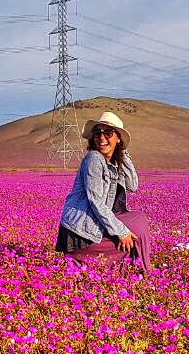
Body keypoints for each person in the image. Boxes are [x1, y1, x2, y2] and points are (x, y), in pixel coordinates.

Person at [55, 111, 154, 273]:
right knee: (131, 239)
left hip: (94, 222)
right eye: (97, 133)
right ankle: (141, 269)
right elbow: (96, 202)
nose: (101, 138)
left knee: (139, 220)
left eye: (108, 133)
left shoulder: (112, 161)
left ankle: (137, 265)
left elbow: (133, 185)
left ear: (118, 138)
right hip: (80, 231)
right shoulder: (94, 159)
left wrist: (122, 152)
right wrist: (121, 232)